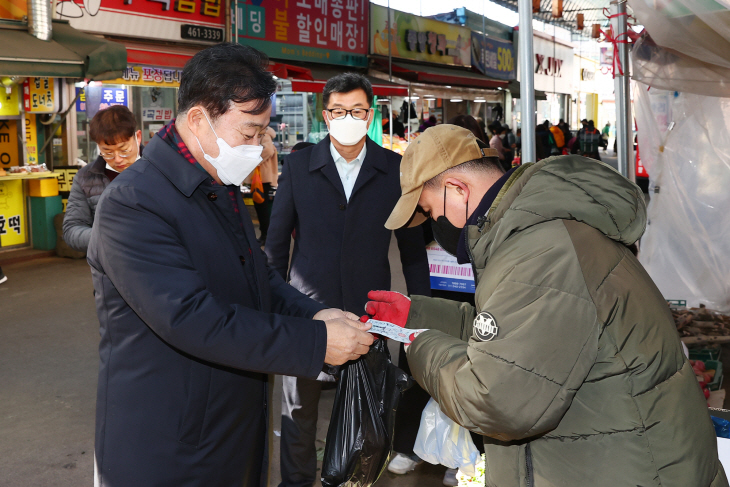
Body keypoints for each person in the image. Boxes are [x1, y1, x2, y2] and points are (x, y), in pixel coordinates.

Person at [363, 124, 727, 487]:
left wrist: (421, 345)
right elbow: (519, 333)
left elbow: (494, 400)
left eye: (429, 211)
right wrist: (416, 315)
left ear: (457, 190)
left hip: (630, 467)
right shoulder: (535, 231)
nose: (435, 226)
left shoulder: (540, 250)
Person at [87, 43, 374, 487]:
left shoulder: (218, 184)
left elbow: (258, 278)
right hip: (168, 447)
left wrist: (314, 313)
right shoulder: (133, 204)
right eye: (250, 133)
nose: (259, 149)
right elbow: (191, 319)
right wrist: (314, 342)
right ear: (200, 120)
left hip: (229, 431)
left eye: (263, 134)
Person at [265, 72, 430, 487]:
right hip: (307, 314)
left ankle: (356, 480)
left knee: (365, 413)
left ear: (369, 114)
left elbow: (412, 253)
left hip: (368, 315)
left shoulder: (394, 168)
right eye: (339, 111)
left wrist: (424, 313)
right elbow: (275, 248)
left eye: (357, 111)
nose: (348, 118)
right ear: (326, 115)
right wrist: (274, 303)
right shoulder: (300, 166)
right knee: (296, 413)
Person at [62, 105, 142, 253]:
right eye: (107, 152)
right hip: (110, 268)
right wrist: (105, 237)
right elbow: (71, 229)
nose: (117, 159)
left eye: (124, 150)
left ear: (138, 137)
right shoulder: (85, 178)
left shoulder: (161, 168)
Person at [247, 126, 278, 245]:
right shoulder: (261, 134)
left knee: (262, 208)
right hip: (259, 178)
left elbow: (268, 151)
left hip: (262, 178)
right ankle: (265, 235)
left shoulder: (264, 134)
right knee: (261, 208)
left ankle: (266, 236)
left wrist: (254, 160)